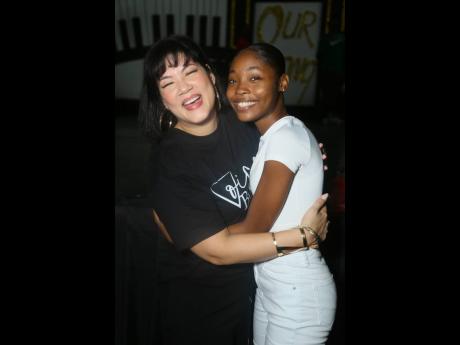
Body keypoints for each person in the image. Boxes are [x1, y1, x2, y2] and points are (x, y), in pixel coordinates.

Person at [138, 35, 329, 345]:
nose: (184, 86)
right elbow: (218, 251)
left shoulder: (241, 124)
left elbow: (281, 142)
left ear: (210, 76)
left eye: (190, 71)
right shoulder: (169, 163)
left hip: (259, 293)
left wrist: (305, 153)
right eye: (167, 83)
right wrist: (302, 237)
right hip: (201, 311)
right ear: (161, 101)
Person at [226, 43, 336, 345]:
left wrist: (196, 239)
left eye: (254, 78)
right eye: (233, 80)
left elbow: (254, 228)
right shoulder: (272, 137)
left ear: (283, 83)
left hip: (297, 293)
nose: (240, 89)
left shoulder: (285, 137)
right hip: (272, 284)